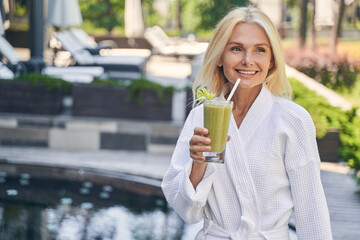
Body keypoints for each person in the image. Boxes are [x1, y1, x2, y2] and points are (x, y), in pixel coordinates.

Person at [161, 5, 333, 240]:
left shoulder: (292, 120)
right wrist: (197, 164)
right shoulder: (200, 117)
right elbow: (187, 212)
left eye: (260, 50)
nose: (248, 60)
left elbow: (311, 209)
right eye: (236, 49)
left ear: (272, 60)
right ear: (220, 56)